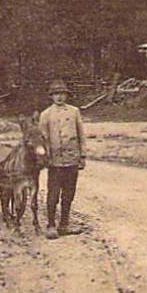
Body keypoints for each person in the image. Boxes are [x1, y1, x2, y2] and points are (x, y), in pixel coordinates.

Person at [37, 80, 86, 239]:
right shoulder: (45, 115)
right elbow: (42, 139)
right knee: (53, 193)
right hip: (55, 161)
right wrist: (45, 157)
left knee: (69, 193)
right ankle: (51, 225)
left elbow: (81, 135)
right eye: (56, 94)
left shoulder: (74, 112)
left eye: (62, 94)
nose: (59, 97)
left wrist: (82, 155)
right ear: (51, 96)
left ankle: (64, 224)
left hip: (72, 158)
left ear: (66, 95)